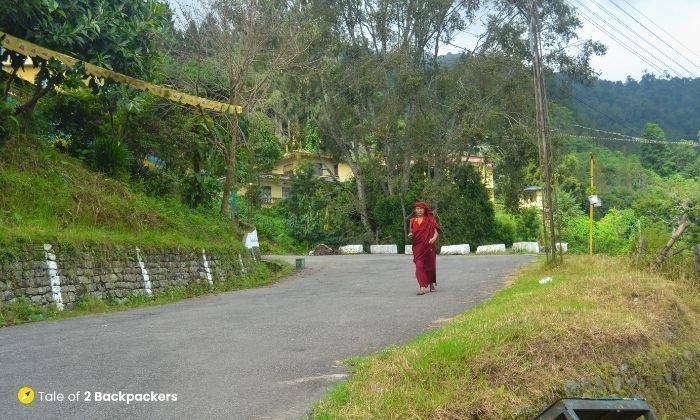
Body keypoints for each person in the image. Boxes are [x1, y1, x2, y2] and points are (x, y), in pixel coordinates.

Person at [407, 201, 441, 295]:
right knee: (419, 266)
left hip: (429, 246)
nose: (419, 210)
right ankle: (422, 286)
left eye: (421, 209)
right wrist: (410, 235)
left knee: (430, 266)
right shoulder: (412, 220)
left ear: (425, 210)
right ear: (415, 210)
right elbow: (412, 232)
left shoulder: (430, 219)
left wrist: (433, 239)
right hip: (417, 247)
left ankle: (431, 283)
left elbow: (436, 232)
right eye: (417, 209)